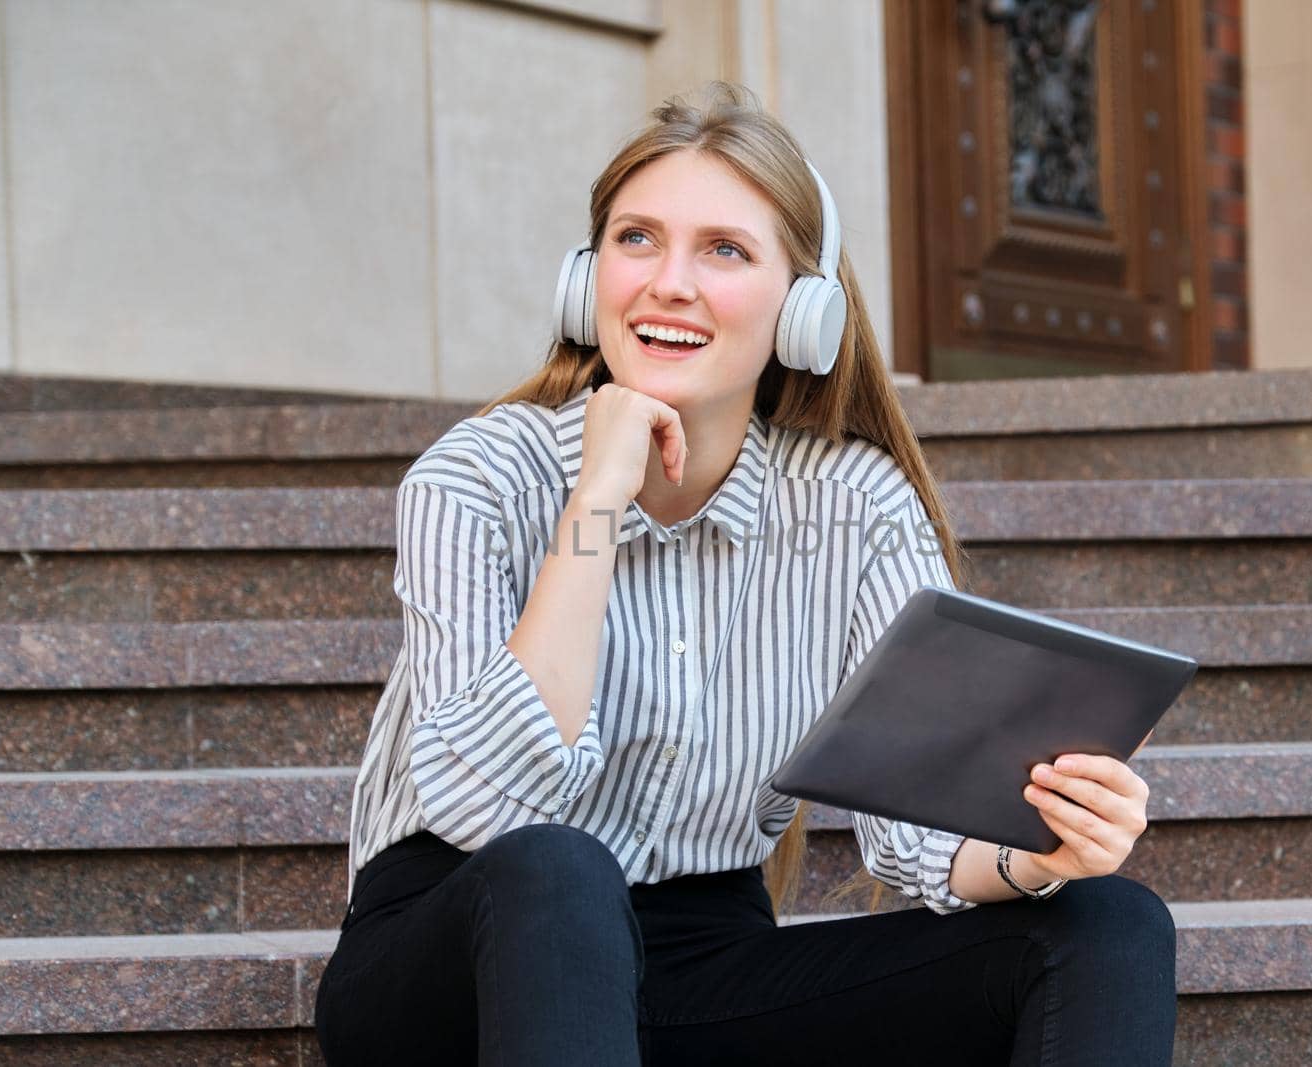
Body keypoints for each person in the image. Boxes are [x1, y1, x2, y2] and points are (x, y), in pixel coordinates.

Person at [314, 80, 1176, 1066]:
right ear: (585, 278)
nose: (668, 282)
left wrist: (1039, 853)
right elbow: (487, 810)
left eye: (723, 250)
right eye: (636, 239)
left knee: (1103, 923)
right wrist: (595, 499)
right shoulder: (477, 476)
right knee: (557, 869)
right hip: (453, 950)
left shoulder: (853, 504)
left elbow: (918, 844)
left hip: (698, 961)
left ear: (804, 309)